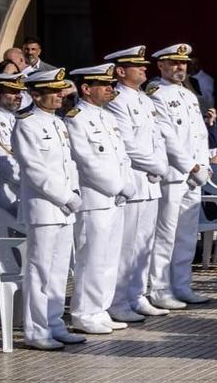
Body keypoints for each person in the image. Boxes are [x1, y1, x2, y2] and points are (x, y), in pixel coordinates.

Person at [12, 67, 83, 350]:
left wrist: (74, 193)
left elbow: (69, 164)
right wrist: (66, 196)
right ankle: (36, 330)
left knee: (58, 272)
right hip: (44, 208)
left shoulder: (57, 122)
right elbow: (35, 171)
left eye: (60, 90)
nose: (59, 96)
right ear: (35, 94)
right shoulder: (27, 124)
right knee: (40, 271)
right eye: (52, 92)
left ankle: (54, 322)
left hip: (65, 208)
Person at [63, 64, 132, 335]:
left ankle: (100, 308)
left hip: (115, 198)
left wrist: (126, 185)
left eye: (111, 84)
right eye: (103, 84)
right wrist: (117, 186)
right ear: (86, 88)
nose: (109, 88)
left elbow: (122, 156)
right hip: (95, 197)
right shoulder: (76, 118)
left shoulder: (107, 117)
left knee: (109, 257)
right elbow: (88, 162)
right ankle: (83, 312)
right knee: (91, 257)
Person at [146, 44, 216, 307]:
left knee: (187, 233)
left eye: (183, 63)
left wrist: (204, 163)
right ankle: (161, 289)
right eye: (173, 63)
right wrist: (192, 166)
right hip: (175, 173)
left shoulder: (188, 95)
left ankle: (182, 283)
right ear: (161, 66)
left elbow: (199, 133)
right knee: (166, 233)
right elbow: (167, 136)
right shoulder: (156, 93)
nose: (179, 68)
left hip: (194, 175)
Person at [103, 47, 168, 321]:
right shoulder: (117, 101)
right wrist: (155, 165)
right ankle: (118, 301)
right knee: (126, 247)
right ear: (120, 71)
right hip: (134, 181)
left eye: (144, 65)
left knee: (144, 244)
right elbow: (127, 144)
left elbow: (158, 139)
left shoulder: (144, 99)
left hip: (152, 183)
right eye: (137, 66)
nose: (144, 69)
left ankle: (137, 295)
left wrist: (160, 166)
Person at [0, 69, 23, 236]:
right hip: (2, 199)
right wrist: (33, 182)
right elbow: (2, 159)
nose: (19, 96)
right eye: (13, 91)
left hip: (19, 195)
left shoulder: (13, 118)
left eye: (19, 91)